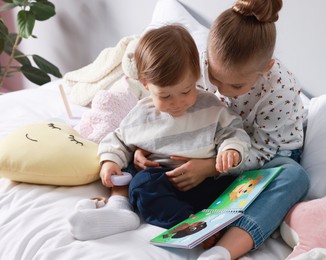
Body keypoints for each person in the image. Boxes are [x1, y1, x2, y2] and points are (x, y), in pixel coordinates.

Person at [135, 0, 310, 259]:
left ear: (266, 68)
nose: (222, 91)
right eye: (215, 79)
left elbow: (264, 150)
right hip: (212, 146)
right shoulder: (200, 63)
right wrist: (145, 144)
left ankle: (224, 250)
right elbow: (179, 108)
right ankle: (196, 222)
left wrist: (209, 167)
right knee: (143, 181)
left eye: (237, 86)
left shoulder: (279, 90)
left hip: (265, 158)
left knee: (295, 176)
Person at [68, 24, 251, 240]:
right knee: (142, 185)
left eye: (186, 91)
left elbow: (234, 132)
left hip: (206, 182)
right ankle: (191, 226)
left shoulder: (211, 106)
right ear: (146, 85)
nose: (177, 103)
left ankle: (217, 222)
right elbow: (117, 139)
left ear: (196, 77)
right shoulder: (142, 113)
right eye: (165, 96)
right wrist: (110, 162)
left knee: (242, 186)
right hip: (164, 185)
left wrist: (231, 150)